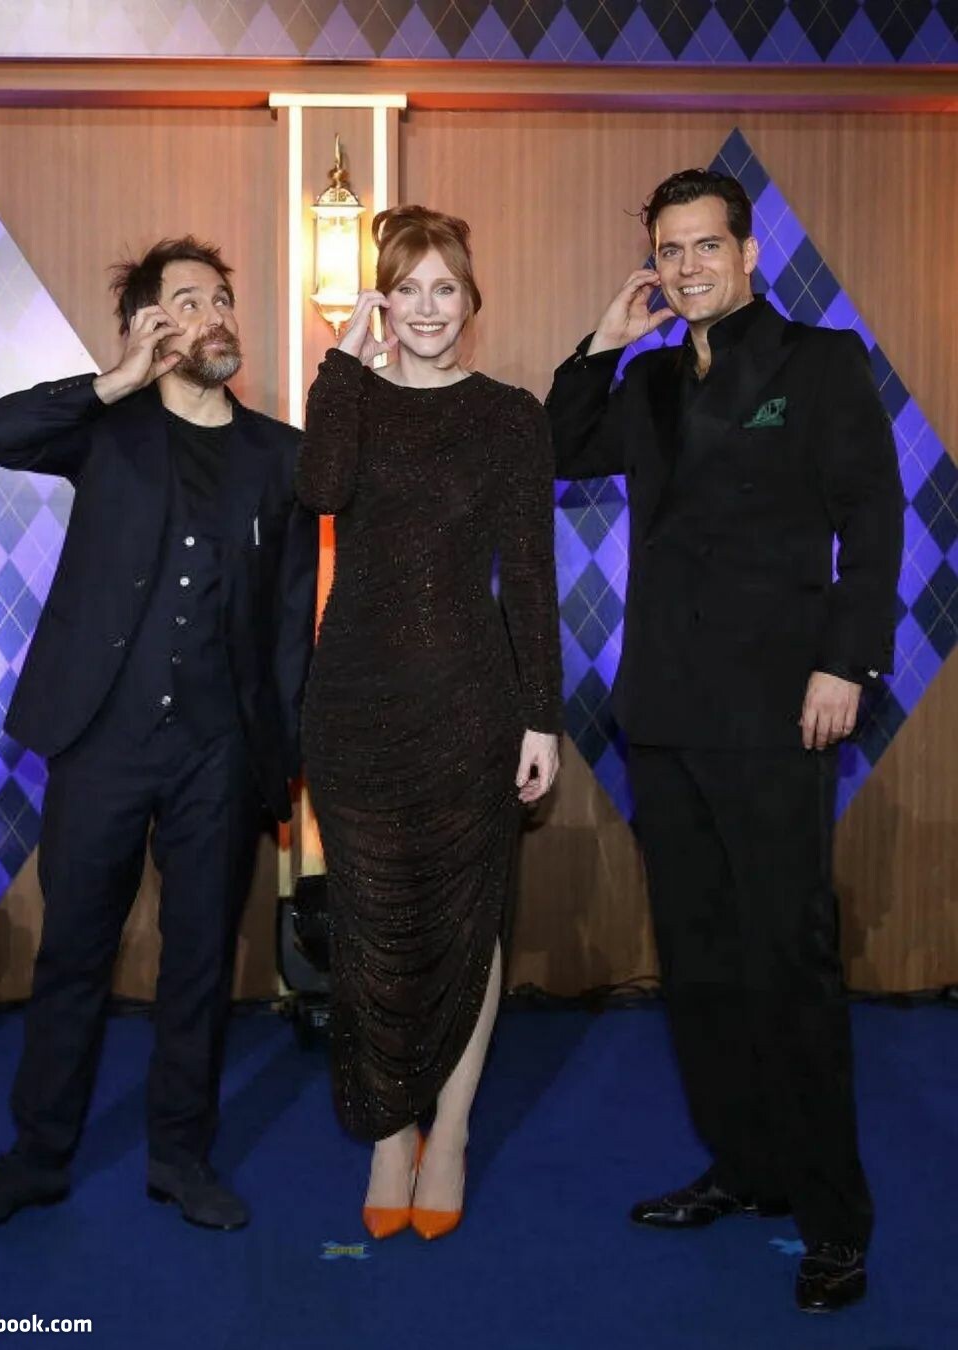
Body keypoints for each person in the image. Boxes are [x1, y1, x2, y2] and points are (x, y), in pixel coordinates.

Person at [547, 169, 903, 1312]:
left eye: (708, 245)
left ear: (750, 253)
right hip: (662, 711)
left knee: (787, 961)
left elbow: (874, 518)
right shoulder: (648, 382)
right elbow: (555, 447)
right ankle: (746, 1168)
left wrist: (847, 662)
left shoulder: (819, 364)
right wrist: (604, 343)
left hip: (778, 710)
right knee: (698, 962)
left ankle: (833, 1218)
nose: (690, 265)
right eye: (671, 249)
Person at [0, 237, 317, 1233]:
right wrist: (114, 379)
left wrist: (280, 761)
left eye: (221, 298)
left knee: (200, 963)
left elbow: (287, 622)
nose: (213, 314)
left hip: (220, 752)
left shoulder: (280, 456)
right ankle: (37, 1158)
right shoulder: (107, 427)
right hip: (101, 737)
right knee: (73, 954)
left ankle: (181, 1158)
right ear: (147, 324)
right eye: (186, 301)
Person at [296, 205, 562, 1241]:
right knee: (370, 924)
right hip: (353, 707)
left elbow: (529, 578)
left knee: (466, 920)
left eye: (444, 287)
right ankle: (386, 1130)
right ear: (382, 300)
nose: (426, 307)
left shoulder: (509, 417)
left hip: (469, 704)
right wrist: (342, 361)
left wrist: (541, 717)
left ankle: (448, 1130)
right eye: (406, 288)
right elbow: (321, 489)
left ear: (471, 299)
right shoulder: (351, 397)